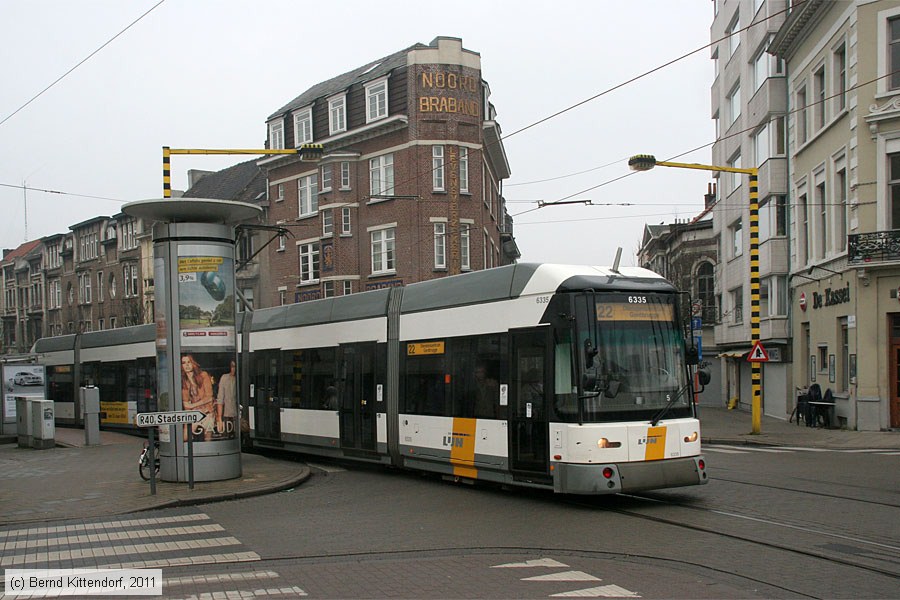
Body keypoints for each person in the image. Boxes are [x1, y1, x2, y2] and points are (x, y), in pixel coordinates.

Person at [181, 354, 215, 441]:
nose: (187, 365)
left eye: (189, 362)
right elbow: (186, 405)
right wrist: (186, 424)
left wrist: (193, 405)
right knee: (185, 437)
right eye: (184, 363)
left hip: (207, 411)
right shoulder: (183, 381)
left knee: (208, 440)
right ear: (181, 366)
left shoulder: (203, 375)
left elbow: (209, 397)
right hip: (194, 414)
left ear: (193, 363)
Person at [215, 359, 237, 438]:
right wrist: (219, 418)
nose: (234, 369)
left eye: (235, 366)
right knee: (226, 435)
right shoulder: (224, 378)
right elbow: (220, 398)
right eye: (232, 366)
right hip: (227, 414)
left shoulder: (239, 378)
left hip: (237, 414)